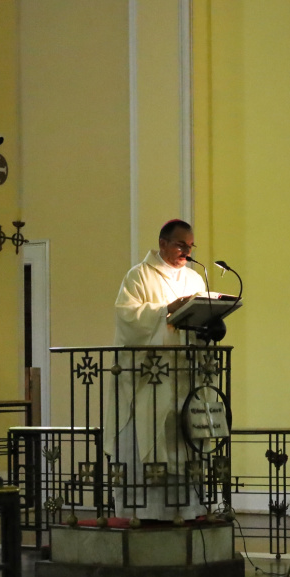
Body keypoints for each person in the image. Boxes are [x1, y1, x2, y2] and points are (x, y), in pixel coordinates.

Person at [107, 219, 207, 522]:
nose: (186, 252)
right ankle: (144, 511)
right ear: (163, 243)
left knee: (182, 439)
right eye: (180, 245)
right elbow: (127, 317)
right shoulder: (138, 275)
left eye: (190, 246)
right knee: (149, 433)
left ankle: (185, 509)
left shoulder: (195, 279)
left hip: (184, 377)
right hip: (148, 378)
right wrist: (165, 310)